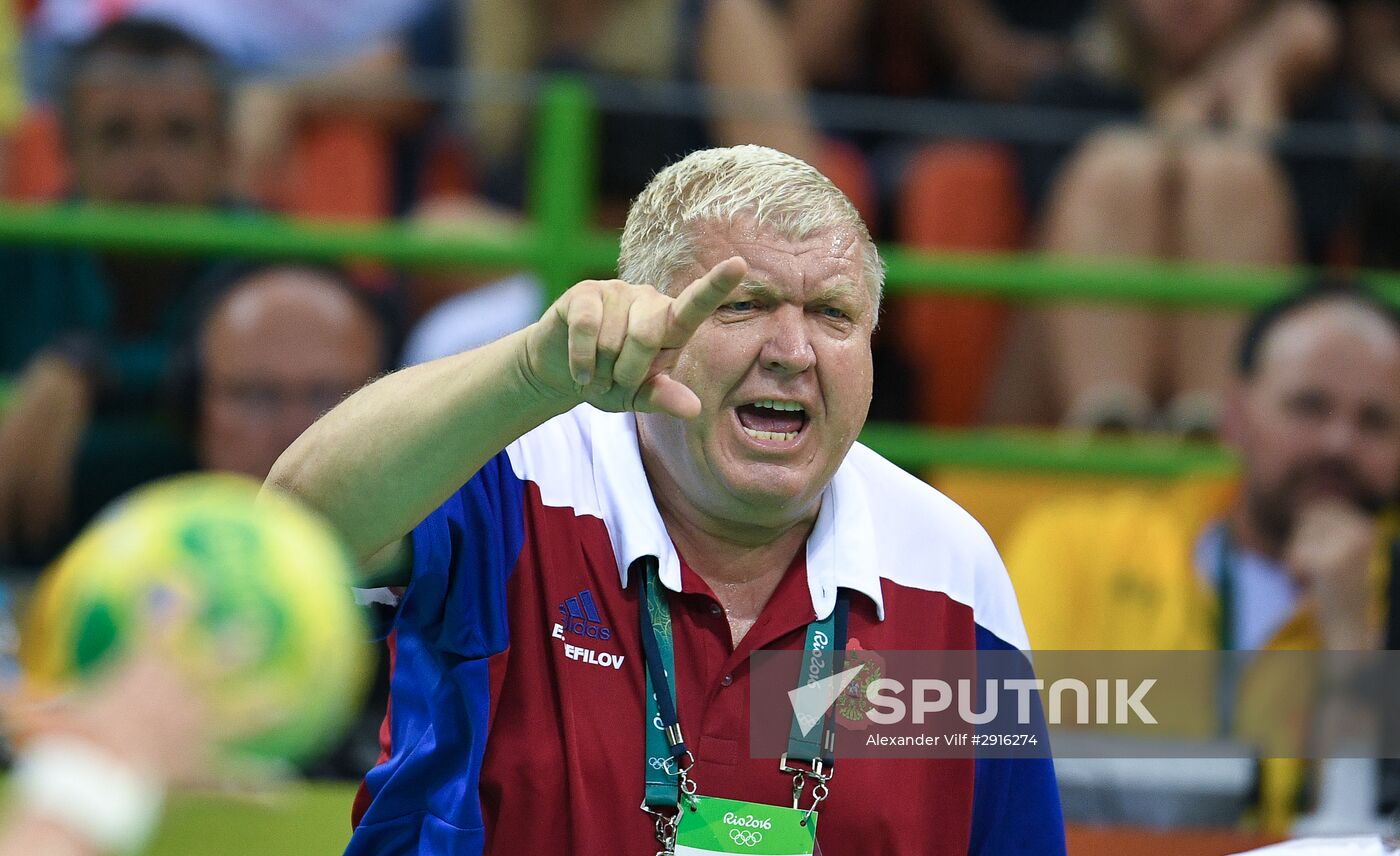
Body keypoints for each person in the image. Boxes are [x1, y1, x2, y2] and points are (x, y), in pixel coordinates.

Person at [268, 145, 1064, 854]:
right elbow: (301, 533)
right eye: (741, 304)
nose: (792, 352)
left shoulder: (950, 567)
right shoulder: (517, 474)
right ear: (645, 322)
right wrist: (527, 377)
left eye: (833, 315)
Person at [1004, 281, 1400, 829]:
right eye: (1310, 406)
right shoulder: (1076, 546)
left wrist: (1352, 642)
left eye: (1376, 421)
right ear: (1234, 414)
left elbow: (1361, 832)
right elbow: (1000, 765)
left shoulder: (1383, 601)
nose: (1339, 443)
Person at [1019, 0, 1351, 433]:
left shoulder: (1316, 105)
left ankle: (1210, 434)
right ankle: (1105, 435)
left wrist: (1262, 80)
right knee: (1118, 168)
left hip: (1261, 400)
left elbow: (1324, 231)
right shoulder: (1068, 92)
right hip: (1046, 403)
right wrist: (1223, 88)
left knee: (1230, 177)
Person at [0, 19, 233, 564]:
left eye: (179, 133)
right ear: (68, 150)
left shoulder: (279, 263)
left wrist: (91, 369)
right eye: (117, 134)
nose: (149, 166)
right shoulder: (16, 255)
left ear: (224, 151)